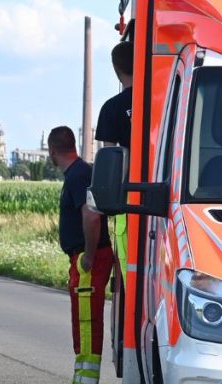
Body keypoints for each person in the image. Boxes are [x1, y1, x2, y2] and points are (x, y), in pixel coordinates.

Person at [47, 126, 115, 384]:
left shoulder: (77, 175)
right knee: (83, 323)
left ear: (52, 151)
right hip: (85, 257)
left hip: (88, 258)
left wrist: (87, 255)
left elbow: (91, 215)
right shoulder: (79, 172)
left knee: (86, 325)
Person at [95, 40, 133, 302]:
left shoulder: (111, 108)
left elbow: (111, 160)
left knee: (130, 270)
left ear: (116, 69)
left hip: (129, 202)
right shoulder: (162, 99)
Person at [96, 41, 133, 149]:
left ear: (116, 68)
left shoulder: (111, 108)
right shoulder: (159, 99)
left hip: (134, 166)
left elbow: (110, 155)